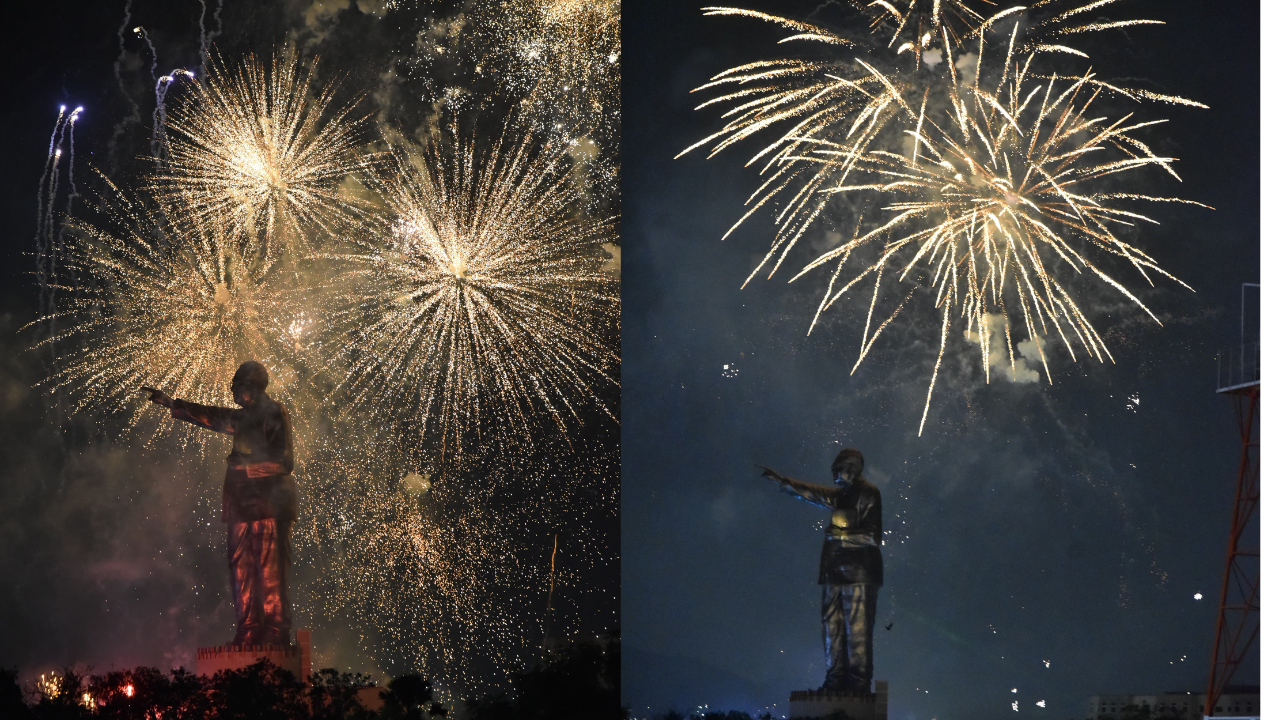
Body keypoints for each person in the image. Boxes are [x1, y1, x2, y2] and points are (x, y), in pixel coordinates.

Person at [144, 360, 296, 646]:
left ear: (251, 385)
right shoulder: (242, 417)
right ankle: (248, 630)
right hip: (239, 505)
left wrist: (246, 466)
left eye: (236, 384)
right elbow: (210, 416)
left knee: (271, 571)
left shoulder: (274, 412)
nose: (232, 389)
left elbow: (285, 461)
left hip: (269, 505)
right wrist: (172, 404)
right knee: (240, 572)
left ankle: (276, 633)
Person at [760, 448, 882, 693]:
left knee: (856, 629)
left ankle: (858, 684)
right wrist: (785, 483)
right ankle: (835, 678)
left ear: (852, 467)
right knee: (831, 626)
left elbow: (873, 536)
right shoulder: (843, 495)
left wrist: (842, 535)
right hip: (833, 573)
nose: (834, 473)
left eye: (838, 468)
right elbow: (815, 494)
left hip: (859, 574)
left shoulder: (868, 493)